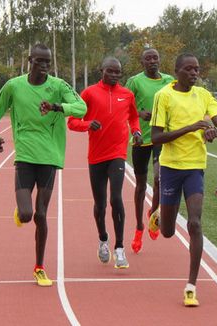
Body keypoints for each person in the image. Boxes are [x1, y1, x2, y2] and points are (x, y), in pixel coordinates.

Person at [0, 44, 87, 287]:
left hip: (50, 157)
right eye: (39, 61)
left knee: (41, 214)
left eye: (48, 62)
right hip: (25, 156)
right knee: (27, 214)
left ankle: (39, 267)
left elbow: (82, 108)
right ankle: (21, 211)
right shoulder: (14, 86)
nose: (44, 66)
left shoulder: (58, 86)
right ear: (30, 60)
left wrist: (58, 107)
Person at [150, 53, 217, 307]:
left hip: (195, 167)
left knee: (195, 222)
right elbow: (157, 137)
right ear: (177, 71)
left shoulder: (204, 95)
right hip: (171, 167)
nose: (194, 73)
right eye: (189, 69)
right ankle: (160, 214)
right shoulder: (164, 96)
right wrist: (190, 128)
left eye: (197, 69)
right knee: (168, 232)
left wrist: (214, 130)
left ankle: (191, 286)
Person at [67, 57, 142, 269]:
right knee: (99, 204)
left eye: (118, 72)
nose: (115, 75)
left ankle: (119, 248)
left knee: (116, 198)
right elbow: (72, 122)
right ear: (102, 70)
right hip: (96, 156)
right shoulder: (89, 93)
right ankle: (103, 239)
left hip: (117, 153)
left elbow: (134, 118)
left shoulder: (127, 94)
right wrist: (89, 124)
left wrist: (136, 132)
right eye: (111, 71)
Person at [125, 48, 174, 253]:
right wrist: (139, 112)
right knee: (141, 185)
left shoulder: (169, 80)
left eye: (155, 57)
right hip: (141, 138)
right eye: (148, 58)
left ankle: (154, 214)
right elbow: (125, 105)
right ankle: (138, 227)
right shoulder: (134, 81)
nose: (153, 61)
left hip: (161, 136)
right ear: (142, 62)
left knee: (160, 179)